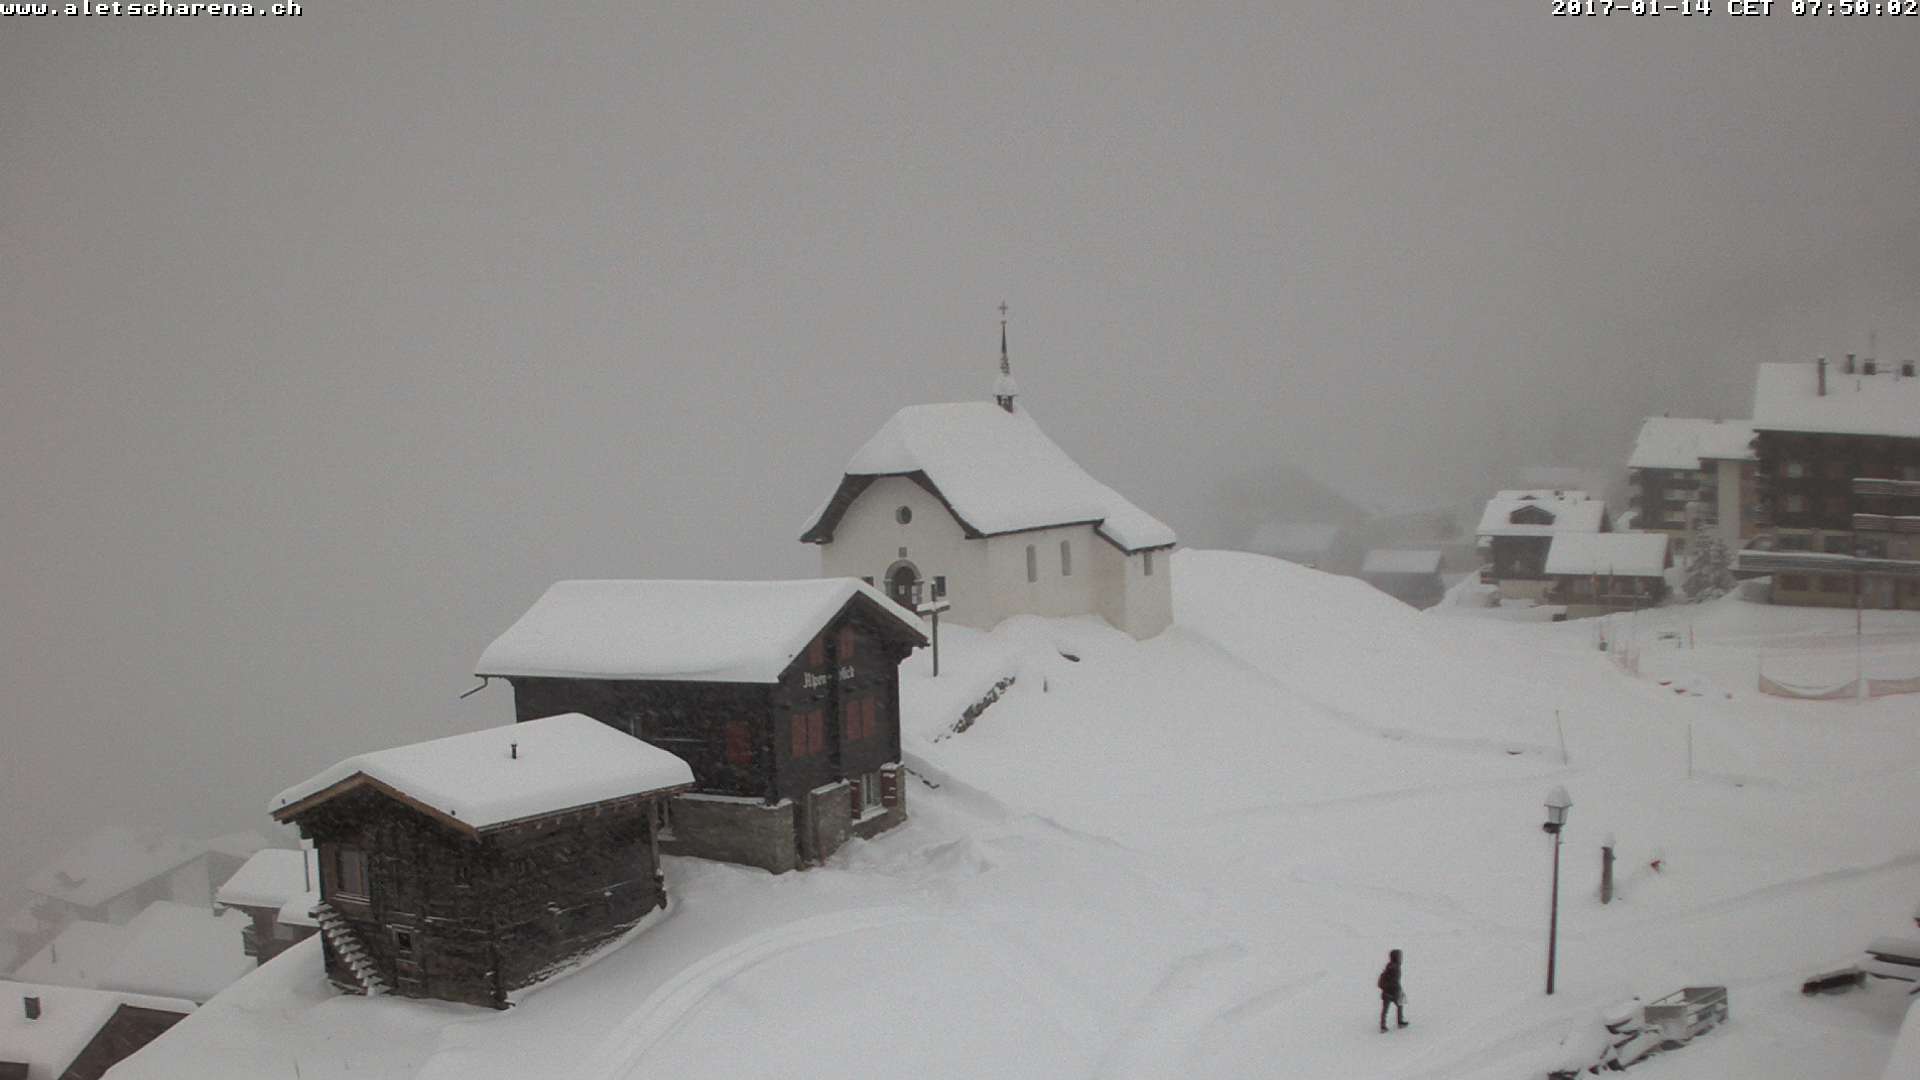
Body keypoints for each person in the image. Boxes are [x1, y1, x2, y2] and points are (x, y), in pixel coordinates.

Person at [1377, 948, 1407, 1032]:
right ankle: (1399, 1022)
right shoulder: (1395, 967)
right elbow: (1395, 981)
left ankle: (1383, 1025)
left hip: (1387, 992)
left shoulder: (1389, 966)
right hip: (1393, 992)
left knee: (1385, 1009)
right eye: (1399, 956)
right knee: (1399, 1005)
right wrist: (1398, 990)